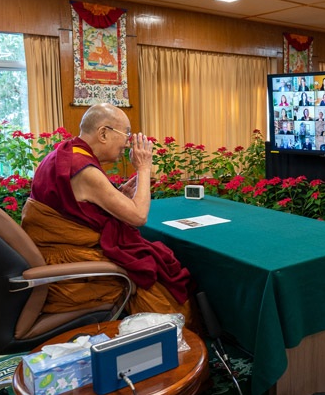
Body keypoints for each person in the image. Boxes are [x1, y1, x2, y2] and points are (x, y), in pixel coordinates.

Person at [20, 103, 195, 326]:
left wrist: (119, 194)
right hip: (69, 273)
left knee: (153, 256)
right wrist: (143, 169)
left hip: (52, 258)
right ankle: (170, 336)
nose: (128, 143)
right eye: (127, 134)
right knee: (153, 270)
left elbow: (77, 206)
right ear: (104, 133)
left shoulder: (65, 153)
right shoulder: (84, 169)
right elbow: (139, 216)